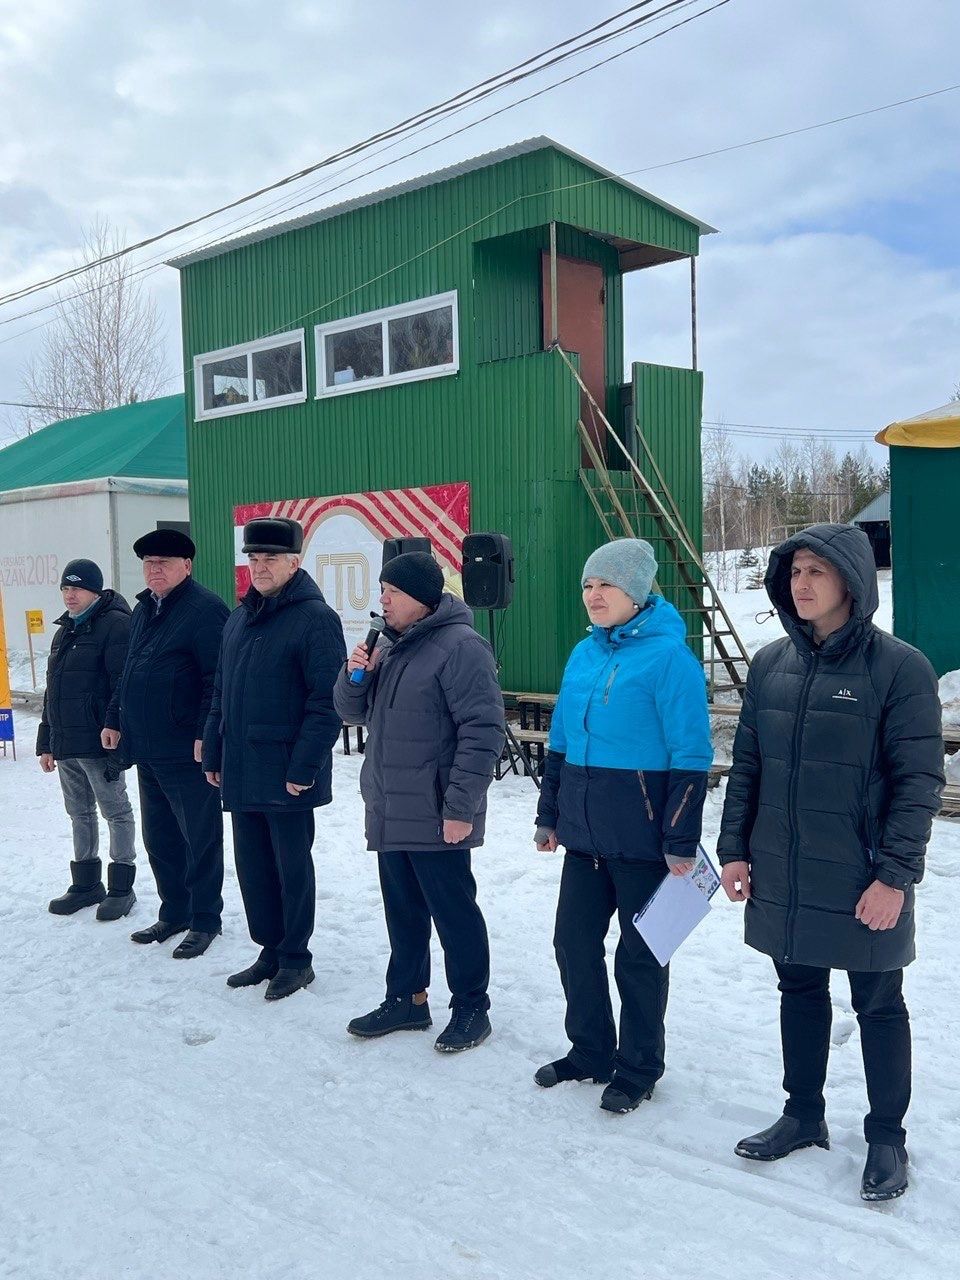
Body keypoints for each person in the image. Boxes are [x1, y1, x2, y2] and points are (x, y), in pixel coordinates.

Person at [717, 523, 944, 1202]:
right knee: (798, 990)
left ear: (851, 579)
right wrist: (734, 848)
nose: (803, 584)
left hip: (862, 873)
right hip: (785, 867)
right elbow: (748, 764)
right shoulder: (770, 665)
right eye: (794, 573)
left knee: (878, 1003)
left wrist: (894, 875)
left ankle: (886, 1138)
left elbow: (919, 782)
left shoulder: (900, 667)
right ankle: (803, 1114)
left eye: (817, 571)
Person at [534, 538, 712, 1115]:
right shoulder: (583, 654)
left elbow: (692, 755)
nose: (594, 595)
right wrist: (549, 815)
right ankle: (590, 1051)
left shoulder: (670, 660)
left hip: (643, 843)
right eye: (588, 585)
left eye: (606, 585)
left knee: (639, 957)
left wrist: (679, 838)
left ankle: (638, 1067)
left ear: (637, 592)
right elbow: (560, 742)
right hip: (583, 837)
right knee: (573, 944)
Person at [334, 551, 505, 1053]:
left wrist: (459, 808)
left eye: (392, 591)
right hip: (391, 808)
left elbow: (483, 731)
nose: (382, 600)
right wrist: (355, 673)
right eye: (382, 590)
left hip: (436, 813)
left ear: (422, 599)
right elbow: (349, 712)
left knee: (454, 913)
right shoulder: (389, 647)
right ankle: (407, 999)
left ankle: (472, 1006)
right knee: (403, 911)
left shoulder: (461, 647)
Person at [202, 518, 346, 1001]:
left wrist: (303, 768)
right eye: (254, 558)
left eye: (270, 559)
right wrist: (214, 748)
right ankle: (268, 950)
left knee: (290, 867)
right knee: (253, 866)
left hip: (287, 773)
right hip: (242, 769)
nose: (259, 567)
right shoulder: (241, 617)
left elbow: (326, 703)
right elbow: (221, 691)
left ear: (294, 562)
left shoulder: (315, 619)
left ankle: (296, 958)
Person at [102, 529, 229, 959]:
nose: (154, 569)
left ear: (187, 566)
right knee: (160, 837)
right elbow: (129, 670)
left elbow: (218, 681)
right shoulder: (143, 609)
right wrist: (115, 718)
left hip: (185, 748)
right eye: (149, 563)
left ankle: (206, 918)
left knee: (199, 836)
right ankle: (174, 910)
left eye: (164, 563)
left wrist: (204, 733)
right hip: (147, 746)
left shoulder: (205, 610)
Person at [38, 558, 136, 920]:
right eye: (65, 588)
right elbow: (53, 691)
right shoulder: (64, 631)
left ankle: (122, 886)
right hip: (66, 744)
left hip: (100, 742)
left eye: (76, 588)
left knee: (116, 812)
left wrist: (114, 727)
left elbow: (121, 684)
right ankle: (86, 884)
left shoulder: (115, 625)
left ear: (95, 590)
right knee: (78, 812)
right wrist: (46, 741)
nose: (69, 595)